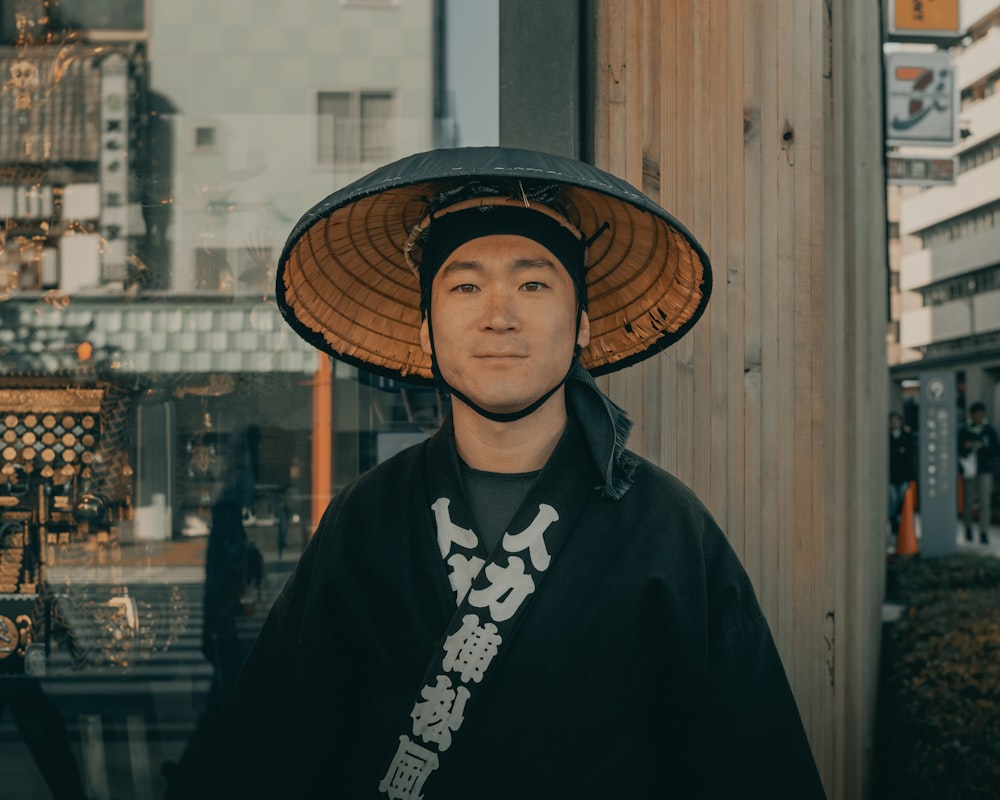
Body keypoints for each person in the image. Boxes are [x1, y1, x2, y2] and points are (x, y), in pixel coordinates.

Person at [165, 147, 826, 798]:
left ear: (583, 324)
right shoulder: (368, 518)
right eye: (465, 286)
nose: (499, 315)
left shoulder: (665, 526)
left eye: (534, 284)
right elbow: (271, 747)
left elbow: (755, 762)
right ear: (426, 330)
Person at [959, 401, 999, 545]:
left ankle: (983, 532)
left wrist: (983, 447)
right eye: (976, 415)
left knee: (984, 502)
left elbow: (996, 449)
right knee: (968, 501)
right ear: (971, 415)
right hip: (969, 470)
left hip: (984, 469)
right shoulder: (964, 430)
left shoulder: (989, 430)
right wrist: (967, 447)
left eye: (980, 415)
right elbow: (958, 449)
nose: (978, 417)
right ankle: (968, 528)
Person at [888, 411, 916, 537]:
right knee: (893, 499)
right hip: (891, 476)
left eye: (896, 420)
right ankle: (894, 523)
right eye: (892, 420)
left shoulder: (906, 436)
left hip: (904, 474)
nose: (894, 423)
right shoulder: (887, 437)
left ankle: (901, 523)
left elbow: (911, 454)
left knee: (902, 499)